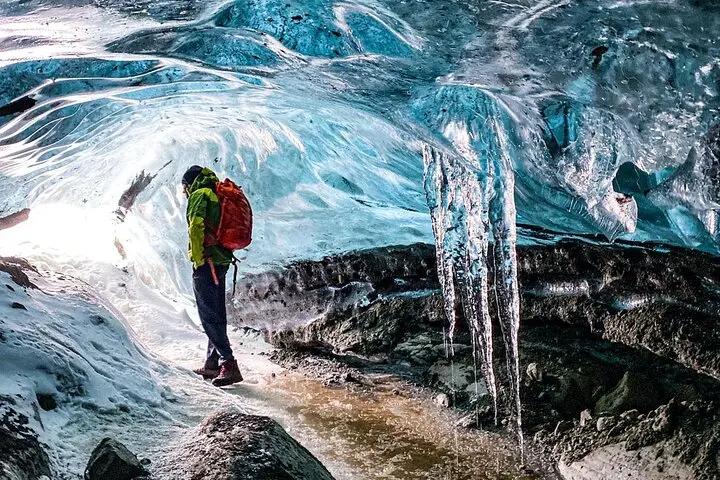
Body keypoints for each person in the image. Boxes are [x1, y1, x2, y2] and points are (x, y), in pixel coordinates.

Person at [182, 165, 244, 387]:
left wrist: (198, 258)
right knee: (216, 311)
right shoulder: (216, 193)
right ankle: (212, 363)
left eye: (184, 188)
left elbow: (196, 226)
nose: (184, 193)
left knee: (208, 314)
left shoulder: (200, 194)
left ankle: (229, 363)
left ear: (190, 184)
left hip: (207, 261)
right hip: (221, 260)